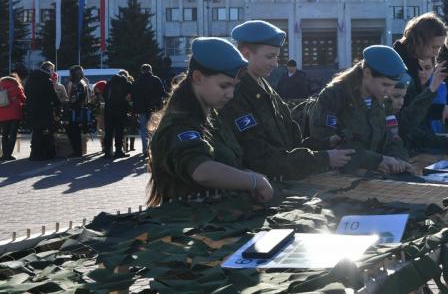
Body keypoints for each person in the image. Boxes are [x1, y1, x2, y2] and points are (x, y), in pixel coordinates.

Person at [220, 20, 353, 181]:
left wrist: (325, 144)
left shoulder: (266, 88)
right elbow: (259, 158)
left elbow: (292, 143)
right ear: (246, 54)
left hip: (283, 182)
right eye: (270, 57)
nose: (275, 64)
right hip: (261, 189)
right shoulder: (235, 93)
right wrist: (323, 158)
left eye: (276, 56)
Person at [147, 37, 273, 206]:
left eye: (234, 86)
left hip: (219, 218)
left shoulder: (213, 118)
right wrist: (255, 181)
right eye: (224, 86)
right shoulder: (179, 123)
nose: (231, 94)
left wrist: (242, 176)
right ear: (198, 77)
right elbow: (202, 171)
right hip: (191, 226)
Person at [308, 45, 414, 174]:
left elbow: (393, 138)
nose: (388, 91)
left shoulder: (383, 102)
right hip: (339, 179)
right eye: (385, 84)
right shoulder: (334, 96)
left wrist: (399, 160)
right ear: (367, 73)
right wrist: (376, 161)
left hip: (376, 177)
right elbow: (328, 143)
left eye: (392, 86)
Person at [392, 12, 448, 139]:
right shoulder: (398, 68)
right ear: (419, 41)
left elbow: (413, 108)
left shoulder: (412, 64)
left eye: (439, 48)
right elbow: (404, 122)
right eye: (434, 47)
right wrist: (431, 89)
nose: (436, 53)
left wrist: (439, 110)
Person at [24, 63, 61, 160]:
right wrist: (58, 104)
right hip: (44, 110)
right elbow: (53, 96)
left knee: (36, 132)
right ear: (48, 69)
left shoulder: (30, 80)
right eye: (52, 69)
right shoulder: (46, 80)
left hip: (31, 109)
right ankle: (44, 154)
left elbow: (26, 93)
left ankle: (34, 154)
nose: (53, 71)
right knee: (45, 132)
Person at [132, 64, 167, 156]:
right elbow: (162, 92)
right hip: (155, 108)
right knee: (155, 129)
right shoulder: (156, 80)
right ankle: (154, 150)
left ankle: (145, 150)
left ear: (141, 71)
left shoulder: (137, 82)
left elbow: (133, 97)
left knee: (143, 130)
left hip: (142, 109)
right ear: (150, 70)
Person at [103, 70, 133, 158]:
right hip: (120, 110)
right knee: (119, 131)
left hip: (108, 110)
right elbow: (129, 97)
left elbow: (104, 96)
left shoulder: (108, 84)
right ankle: (118, 151)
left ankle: (107, 152)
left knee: (108, 131)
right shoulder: (126, 84)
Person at [0, 74, 26, 161]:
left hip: (2, 113)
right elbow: (23, 98)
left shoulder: (1, 84)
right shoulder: (16, 85)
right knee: (13, 134)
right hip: (15, 113)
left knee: (4, 135)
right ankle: (8, 155)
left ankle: (3, 155)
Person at [65, 65, 89, 158]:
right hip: (79, 110)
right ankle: (77, 150)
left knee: (73, 130)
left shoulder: (78, 83)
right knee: (75, 131)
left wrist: (68, 105)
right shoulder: (82, 82)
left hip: (76, 111)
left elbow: (75, 99)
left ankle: (77, 151)